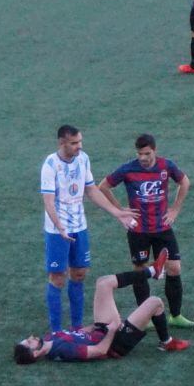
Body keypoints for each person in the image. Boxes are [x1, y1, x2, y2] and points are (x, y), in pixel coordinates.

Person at [14, 249, 190, 363]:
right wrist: (113, 329)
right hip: (115, 343)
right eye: (29, 342)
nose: (31, 337)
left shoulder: (50, 338)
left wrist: (97, 325)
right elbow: (100, 350)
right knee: (155, 302)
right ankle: (166, 342)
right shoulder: (63, 351)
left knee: (103, 283)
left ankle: (152, 271)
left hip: (102, 330)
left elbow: (79, 334)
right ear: (35, 353)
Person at [42, 124, 138, 332]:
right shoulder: (50, 165)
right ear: (62, 143)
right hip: (57, 230)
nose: (79, 146)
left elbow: (91, 190)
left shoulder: (83, 159)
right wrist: (60, 227)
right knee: (58, 277)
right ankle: (56, 331)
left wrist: (116, 212)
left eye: (80, 142)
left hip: (79, 226)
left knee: (79, 274)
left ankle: (76, 329)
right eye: (74, 143)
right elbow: (49, 202)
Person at [98, 133, 194, 329]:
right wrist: (120, 211)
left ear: (155, 150)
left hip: (162, 228)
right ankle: (145, 317)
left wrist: (175, 209)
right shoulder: (128, 169)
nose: (143, 158)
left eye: (147, 153)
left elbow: (184, 182)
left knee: (174, 268)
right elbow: (103, 186)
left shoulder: (166, 166)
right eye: (140, 154)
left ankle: (175, 315)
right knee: (140, 271)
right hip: (139, 230)